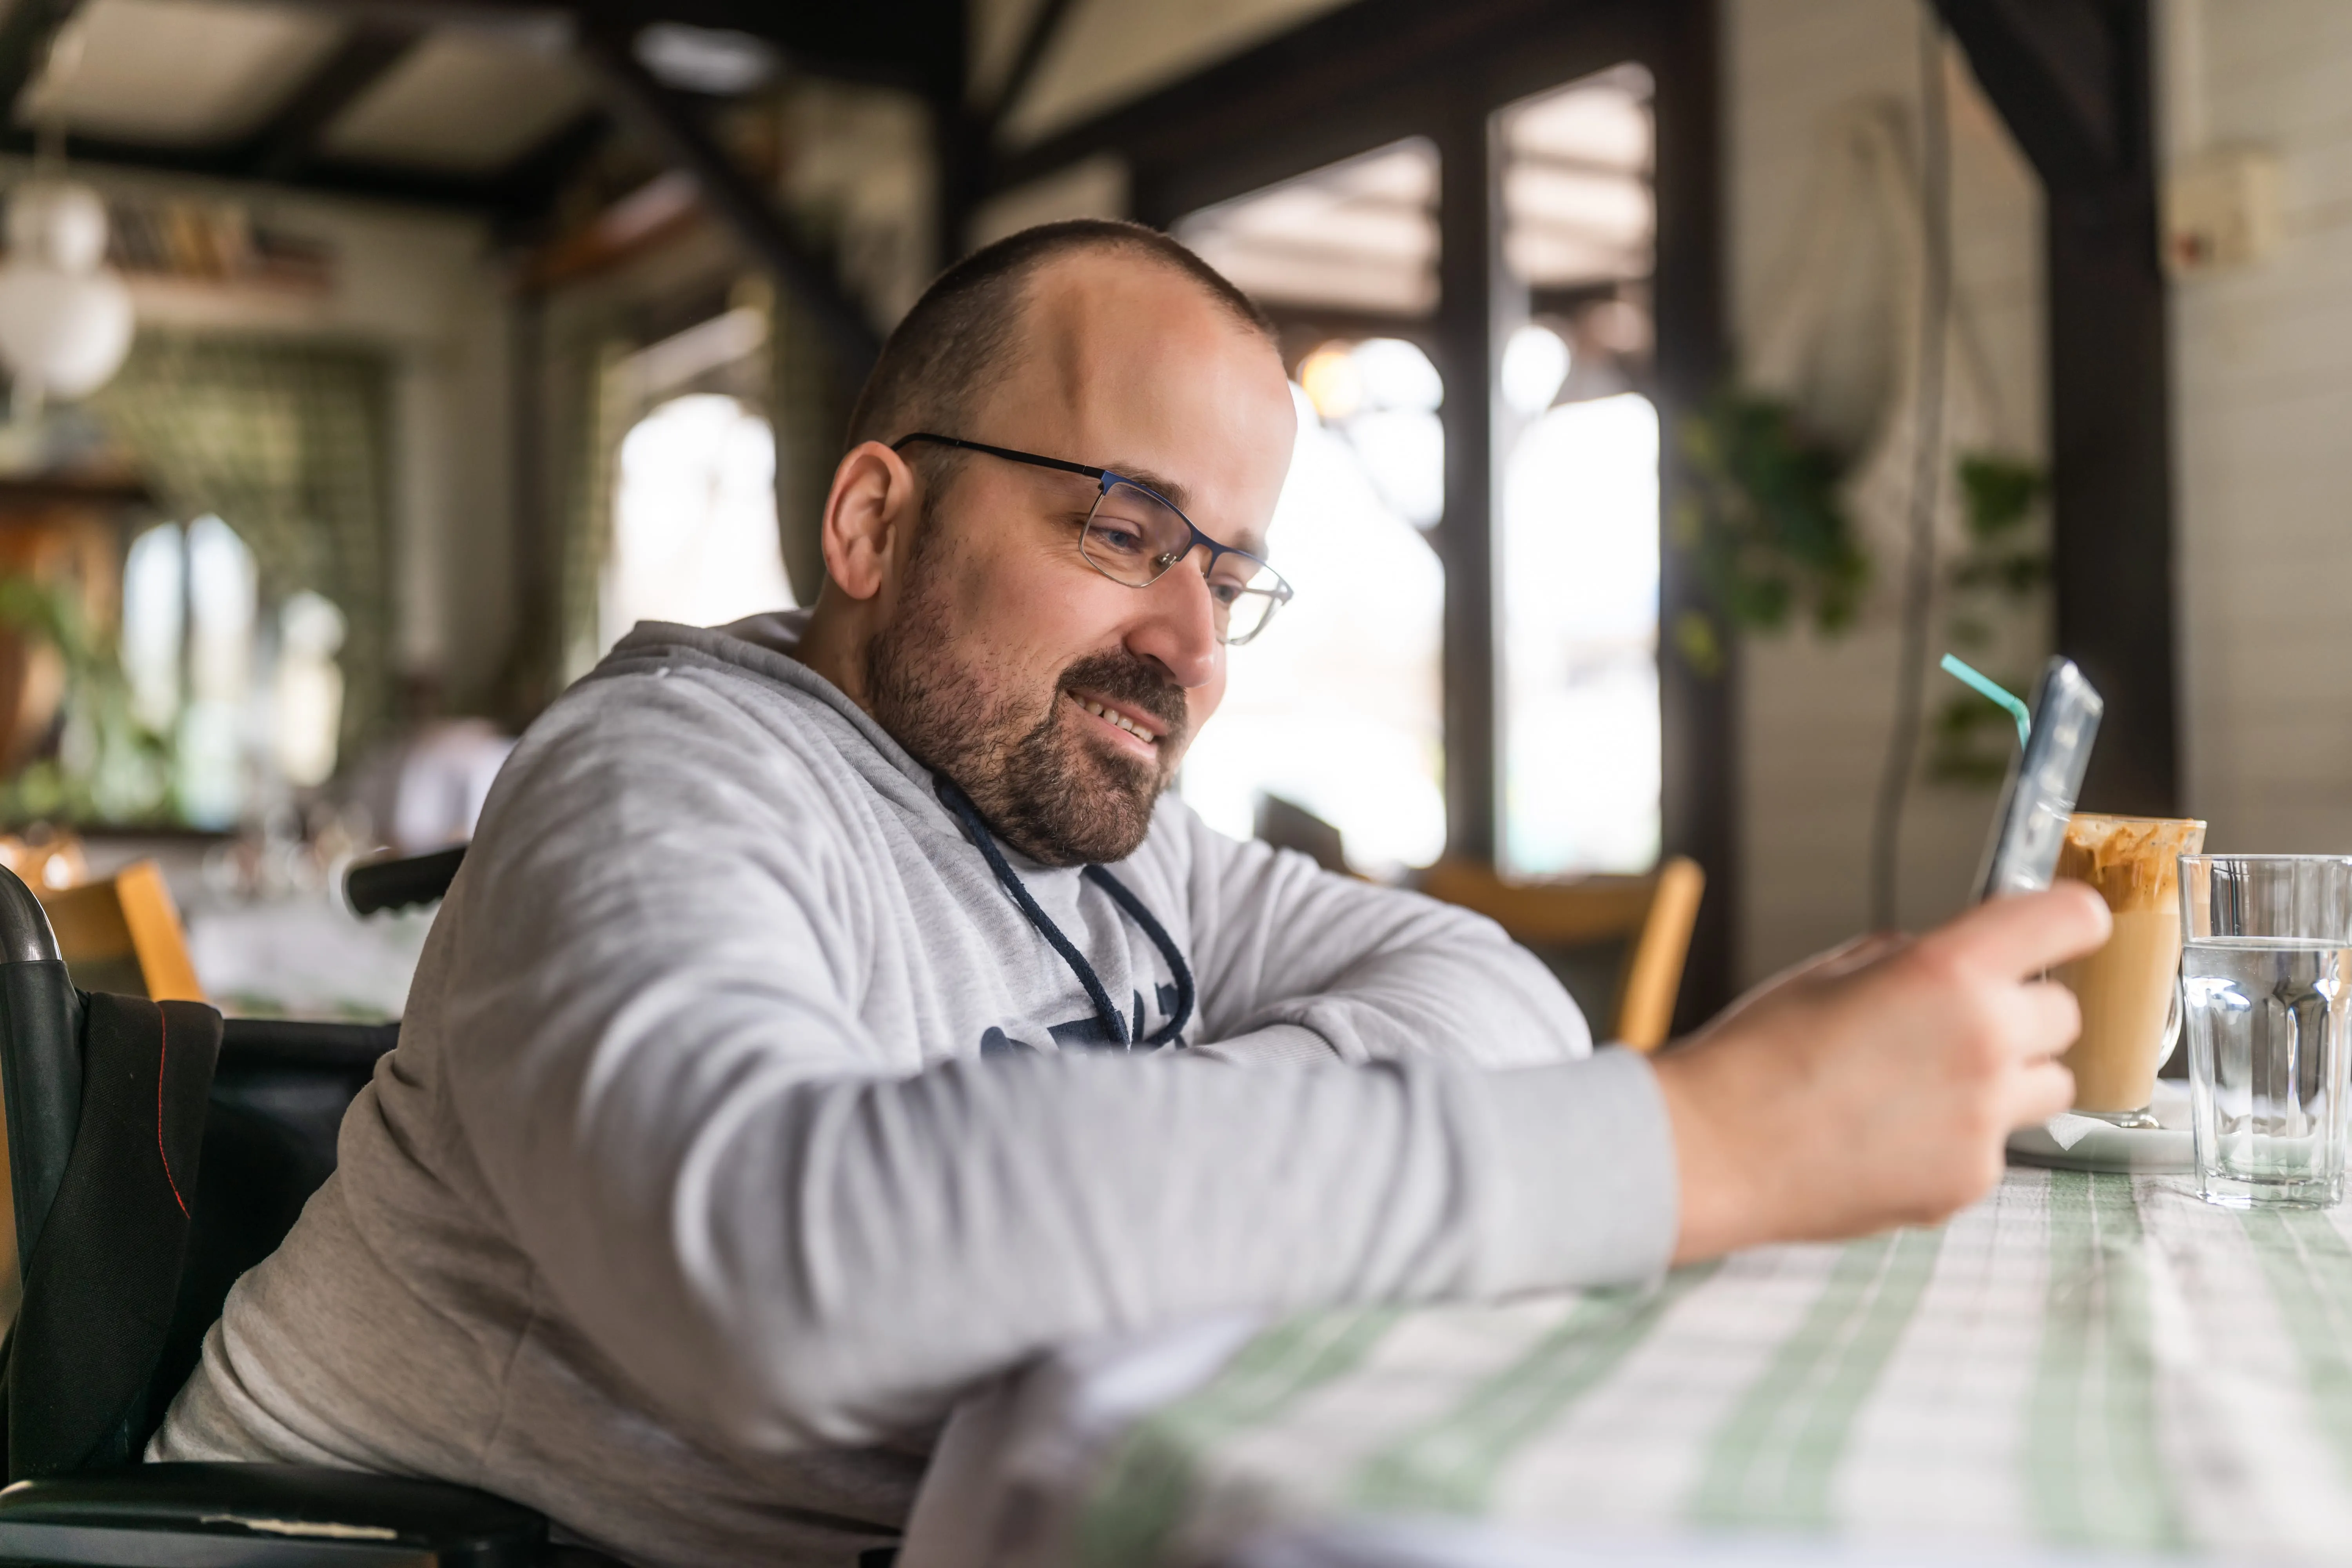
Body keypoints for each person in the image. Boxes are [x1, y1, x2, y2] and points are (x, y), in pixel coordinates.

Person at [149, 220, 2107, 1566]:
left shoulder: (1079, 815)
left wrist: (1048, 1174)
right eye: (1120, 529)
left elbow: (1488, 993)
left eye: (1229, 573)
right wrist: (1697, 1139)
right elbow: (785, 1267)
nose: (1190, 646)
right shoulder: (663, 775)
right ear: (870, 519)